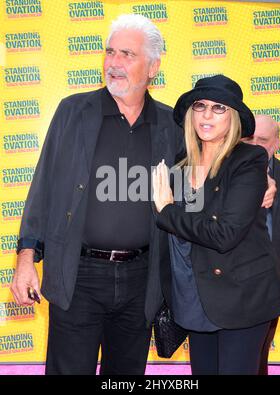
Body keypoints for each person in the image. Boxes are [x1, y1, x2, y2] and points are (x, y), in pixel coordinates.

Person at [10, 14, 186, 375]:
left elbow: (196, 193)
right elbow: (42, 189)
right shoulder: (73, 112)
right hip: (78, 275)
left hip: (142, 280)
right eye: (110, 52)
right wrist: (26, 259)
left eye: (127, 54)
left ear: (153, 66)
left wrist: (264, 181)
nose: (114, 63)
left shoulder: (172, 125)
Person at [152, 75, 280, 375]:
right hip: (194, 297)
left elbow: (224, 234)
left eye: (219, 108)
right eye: (200, 106)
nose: (206, 114)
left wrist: (167, 210)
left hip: (241, 298)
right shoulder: (179, 165)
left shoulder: (248, 160)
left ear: (234, 118)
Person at [242, 115, 280, 375]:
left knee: (258, 363)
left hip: (271, 290)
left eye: (262, 140)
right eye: (249, 138)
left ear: (277, 143)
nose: (254, 146)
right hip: (223, 287)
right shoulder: (218, 174)